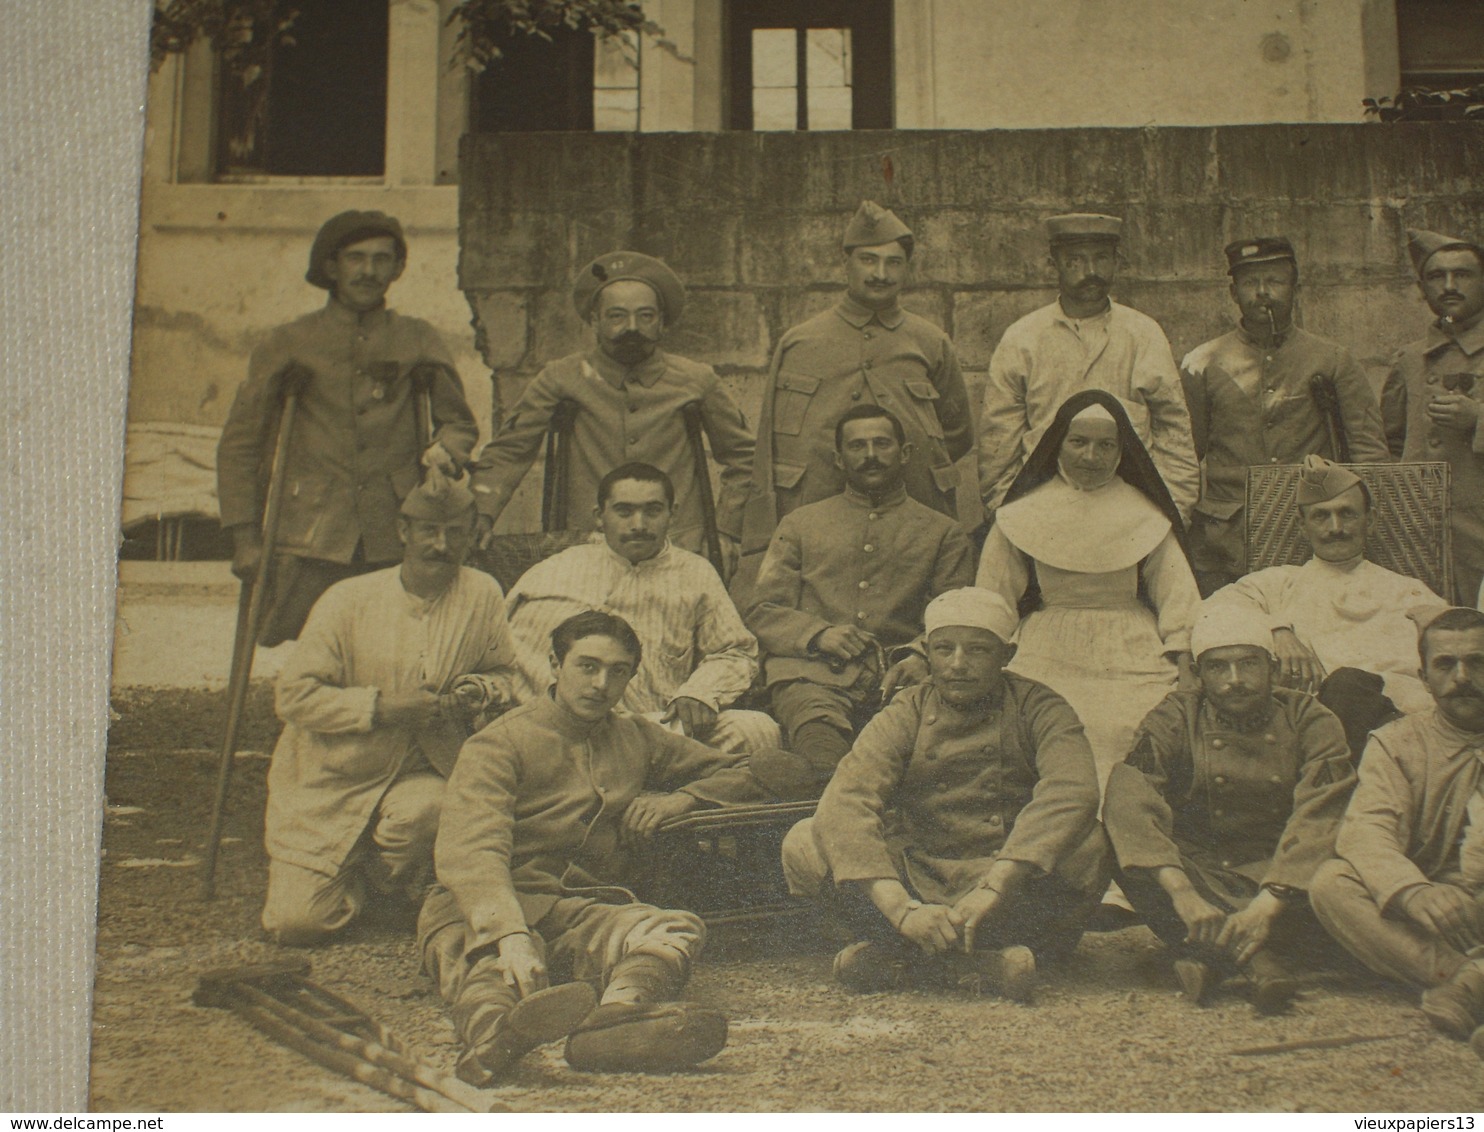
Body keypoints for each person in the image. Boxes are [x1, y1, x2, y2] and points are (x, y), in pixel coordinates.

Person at [417, 610, 767, 1084]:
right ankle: (494, 1038)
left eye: (617, 671)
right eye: (587, 666)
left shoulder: (634, 736)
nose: (601, 683)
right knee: (491, 970)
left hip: (576, 909)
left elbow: (747, 770)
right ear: (554, 664)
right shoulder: (498, 744)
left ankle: (615, 1020)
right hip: (482, 908)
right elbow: (472, 852)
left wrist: (680, 799)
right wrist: (511, 935)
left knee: (672, 929)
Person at [781, 588, 1109, 1001]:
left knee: (1089, 843)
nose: (957, 664)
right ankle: (980, 964)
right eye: (943, 649)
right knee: (804, 840)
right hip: (918, 878)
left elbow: (1072, 789)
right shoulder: (908, 711)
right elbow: (848, 797)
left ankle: (901, 962)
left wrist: (997, 884)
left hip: (1005, 884)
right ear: (929, 654)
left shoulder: (1039, 706)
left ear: (1006, 655)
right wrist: (901, 908)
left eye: (977, 650)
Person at [260, 470, 516, 946]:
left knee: (434, 810)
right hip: (333, 780)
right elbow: (293, 696)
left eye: (454, 533)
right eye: (428, 531)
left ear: (470, 536)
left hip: (421, 772)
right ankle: (343, 873)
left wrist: (478, 691)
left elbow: (506, 672)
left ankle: (388, 882)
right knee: (297, 924)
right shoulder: (349, 600)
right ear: (403, 532)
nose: (440, 545)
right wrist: (381, 709)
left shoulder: (482, 593)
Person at [217, 209, 478, 645]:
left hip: (392, 524)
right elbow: (241, 444)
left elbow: (459, 423)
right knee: (308, 638)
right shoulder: (289, 342)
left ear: (397, 268)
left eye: (382, 259)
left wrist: (445, 453)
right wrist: (244, 536)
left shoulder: (418, 338)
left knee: (390, 640)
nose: (368, 271)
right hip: (311, 528)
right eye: (356, 258)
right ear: (331, 267)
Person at [1103, 606, 1357, 1013]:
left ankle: (1215, 958)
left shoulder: (1311, 718)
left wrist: (1268, 903)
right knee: (1120, 847)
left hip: (1282, 870)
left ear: (1273, 669)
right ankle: (1261, 959)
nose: (1234, 681)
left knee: (1333, 873)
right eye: (1218, 668)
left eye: (1248, 664)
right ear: (1199, 675)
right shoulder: (1175, 715)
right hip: (1203, 872)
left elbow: (1321, 811)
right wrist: (1182, 891)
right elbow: (1130, 795)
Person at [471, 251, 754, 576]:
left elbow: (745, 458)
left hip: (677, 547)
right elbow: (510, 450)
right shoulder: (561, 378)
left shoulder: (696, 380)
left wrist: (727, 530)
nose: (632, 328)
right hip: (587, 546)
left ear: (662, 320)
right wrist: (481, 513)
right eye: (617, 316)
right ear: (595, 320)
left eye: (645, 316)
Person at [744, 405, 974, 798]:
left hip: (896, 680)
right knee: (819, 730)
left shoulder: (943, 533)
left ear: (904, 453)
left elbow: (953, 614)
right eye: (857, 446)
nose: (870, 454)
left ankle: (815, 785)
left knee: (907, 745)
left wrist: (920, 656)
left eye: (882, 444)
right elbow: (762, 610)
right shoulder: (799, 524)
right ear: (839, 458)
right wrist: (818, 635)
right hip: (811, 674)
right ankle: (824, 771)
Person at [975, 389, 1201, 790]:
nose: (1091, 457)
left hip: (1130, 642)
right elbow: (993, 600)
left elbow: (1178, 599)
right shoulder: (1023, 513)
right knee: (1050, 722)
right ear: (1058, 443)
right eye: (1078, 443)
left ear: (1121, 451)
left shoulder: (1143, 513)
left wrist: (1186, 668)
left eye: (1105, 446)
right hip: (1048, 643)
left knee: (1128, 724)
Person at [741, 200, 973, 556]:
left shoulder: (930, 341)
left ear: (907, 269)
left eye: (893, 262)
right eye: (868, 260)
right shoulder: (801, 342)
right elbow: (767, 445)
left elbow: (957, 433)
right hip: (814, 516)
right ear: (845, 264)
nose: (880, 274)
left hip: (912, 514)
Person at [503, 462, 778, 754]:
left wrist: (699, 694)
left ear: (672, 514)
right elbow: (508, 653)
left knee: (757, 730)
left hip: (657, 729)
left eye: (652, 511)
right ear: (600, 516)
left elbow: (735, 650)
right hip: (573, 733)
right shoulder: (556, 571)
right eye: (624, 511)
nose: (639, 524)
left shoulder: (696, 573)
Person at [1310, 606, 1484, 1056]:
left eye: (1478, 662)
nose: (1462, 677)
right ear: (1424, 676)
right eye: (1446, 664)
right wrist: (1413, 892)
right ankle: (1466, 976)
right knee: (1332, 883)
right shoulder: (1398, 742)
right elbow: (1366, 832)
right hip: (1434, 911)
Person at [1179, 236, 1390, 594]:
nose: (1263, 292)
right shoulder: (1201, 364)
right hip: (1226, 539)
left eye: (1275, 281)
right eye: (1250, 283)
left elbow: (1370, 455)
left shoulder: (1332, 359)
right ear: (1234, 293)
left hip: (1309, 532)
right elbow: (1185, 455)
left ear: (1295, 287)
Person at [1202, 455, 1445, 756]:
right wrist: (1276, 630)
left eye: (1347, 514)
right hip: (1308, 730)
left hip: (1399, 728)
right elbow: (1210, 612)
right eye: (1321, 516)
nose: (1335, 527)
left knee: (1350, 684)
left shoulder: (1407, 591)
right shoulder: (1277, 584)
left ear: (1370, 521)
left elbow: (1454, 642)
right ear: (1302, 526)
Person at [977, 212, 1199, 523]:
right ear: (1053, 266)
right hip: (1042, 506)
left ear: (1117, 262)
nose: (1091, 271)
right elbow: (998, 441)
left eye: (1101, 259)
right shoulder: (1023, 338)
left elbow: (1173, 430)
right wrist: (1007, 515)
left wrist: (1172, 513)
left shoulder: (1143, 333)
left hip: (1131, 508)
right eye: (1075, 261)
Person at [1385, 227, 1484, 604]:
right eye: (1436, 277)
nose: (1449, 286)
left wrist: (1477, 419)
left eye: (1463, 275)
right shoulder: (1410, 359)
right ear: (1422, 288)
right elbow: (1390, 444)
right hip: (1421, 534)